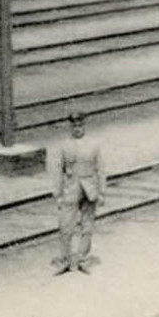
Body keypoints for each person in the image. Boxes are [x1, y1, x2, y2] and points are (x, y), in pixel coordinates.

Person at [51, 110, 104, 275]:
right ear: (70, 128)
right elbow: (58, 170)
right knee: (65, 226)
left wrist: (102, 192)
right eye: (74, 126)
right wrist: (57, 194)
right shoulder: (64, 145)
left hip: (89, 188)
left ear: (84, 126)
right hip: (70, 189)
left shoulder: (94, 145)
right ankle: (65, 259)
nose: (77, 129)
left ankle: (83, 259)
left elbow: (101, 169)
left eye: (80, 126)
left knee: (87, 226)